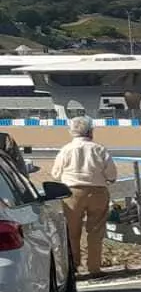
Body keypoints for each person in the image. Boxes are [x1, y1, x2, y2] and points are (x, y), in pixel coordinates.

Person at [48, 116, 118, 278]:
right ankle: (94, 268)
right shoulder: (99, 149)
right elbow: (112, 174)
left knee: (72, 232)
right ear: (90, 132)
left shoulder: (66, 149)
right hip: (97, 191)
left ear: (72, 132)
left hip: (72, 192)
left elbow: (55, 173)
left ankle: (73, 266)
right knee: (96, 231)